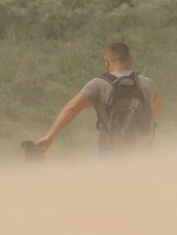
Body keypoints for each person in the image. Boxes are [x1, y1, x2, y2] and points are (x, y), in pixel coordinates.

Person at [33, 41, 163, 156]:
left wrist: (50, 137)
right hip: (138, 153)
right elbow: (158, 103)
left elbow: (72, 108)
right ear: (130, 60)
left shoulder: (99, 84)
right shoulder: (147, 83)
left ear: (106, 61)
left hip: (108, 152)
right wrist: (136, 123)